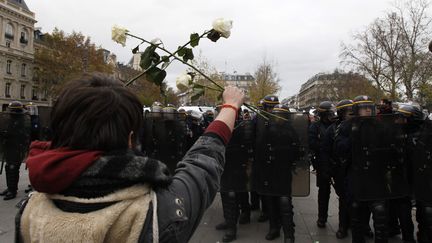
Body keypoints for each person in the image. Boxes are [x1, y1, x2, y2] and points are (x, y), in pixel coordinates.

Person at [15, 74, 245, 243]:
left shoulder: (29, 212)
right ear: (130, 139)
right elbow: (202, 161)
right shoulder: (159, 211)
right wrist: (230, 106)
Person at [320, 99, 353, 239]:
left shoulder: (361, 126)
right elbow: (325, 151)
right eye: (349, 112)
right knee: (344, 199)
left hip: (357, 169)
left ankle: (361, 226)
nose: (353, 114)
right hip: (340, 168)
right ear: (341, 113)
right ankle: (342, 226)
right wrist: (327, 169)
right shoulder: (332, 129)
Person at [308, 101, 335, 228]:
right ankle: (322, 218)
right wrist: (326, 147)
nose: (332, 116)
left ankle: (346, 222)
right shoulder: (315, 126)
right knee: (324, 192)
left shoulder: (336, 125)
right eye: (329, 114)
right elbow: (312, 143)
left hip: (336, 163)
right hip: (322, 163)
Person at [0, 101, 31, 200]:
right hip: (9, 146)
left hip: (18, 147)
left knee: (13, 168)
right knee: (8, 167)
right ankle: (10, 187)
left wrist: (9, 134)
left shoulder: (24, 120)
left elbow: (23, 134)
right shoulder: (10, 119)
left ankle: (12, 190)